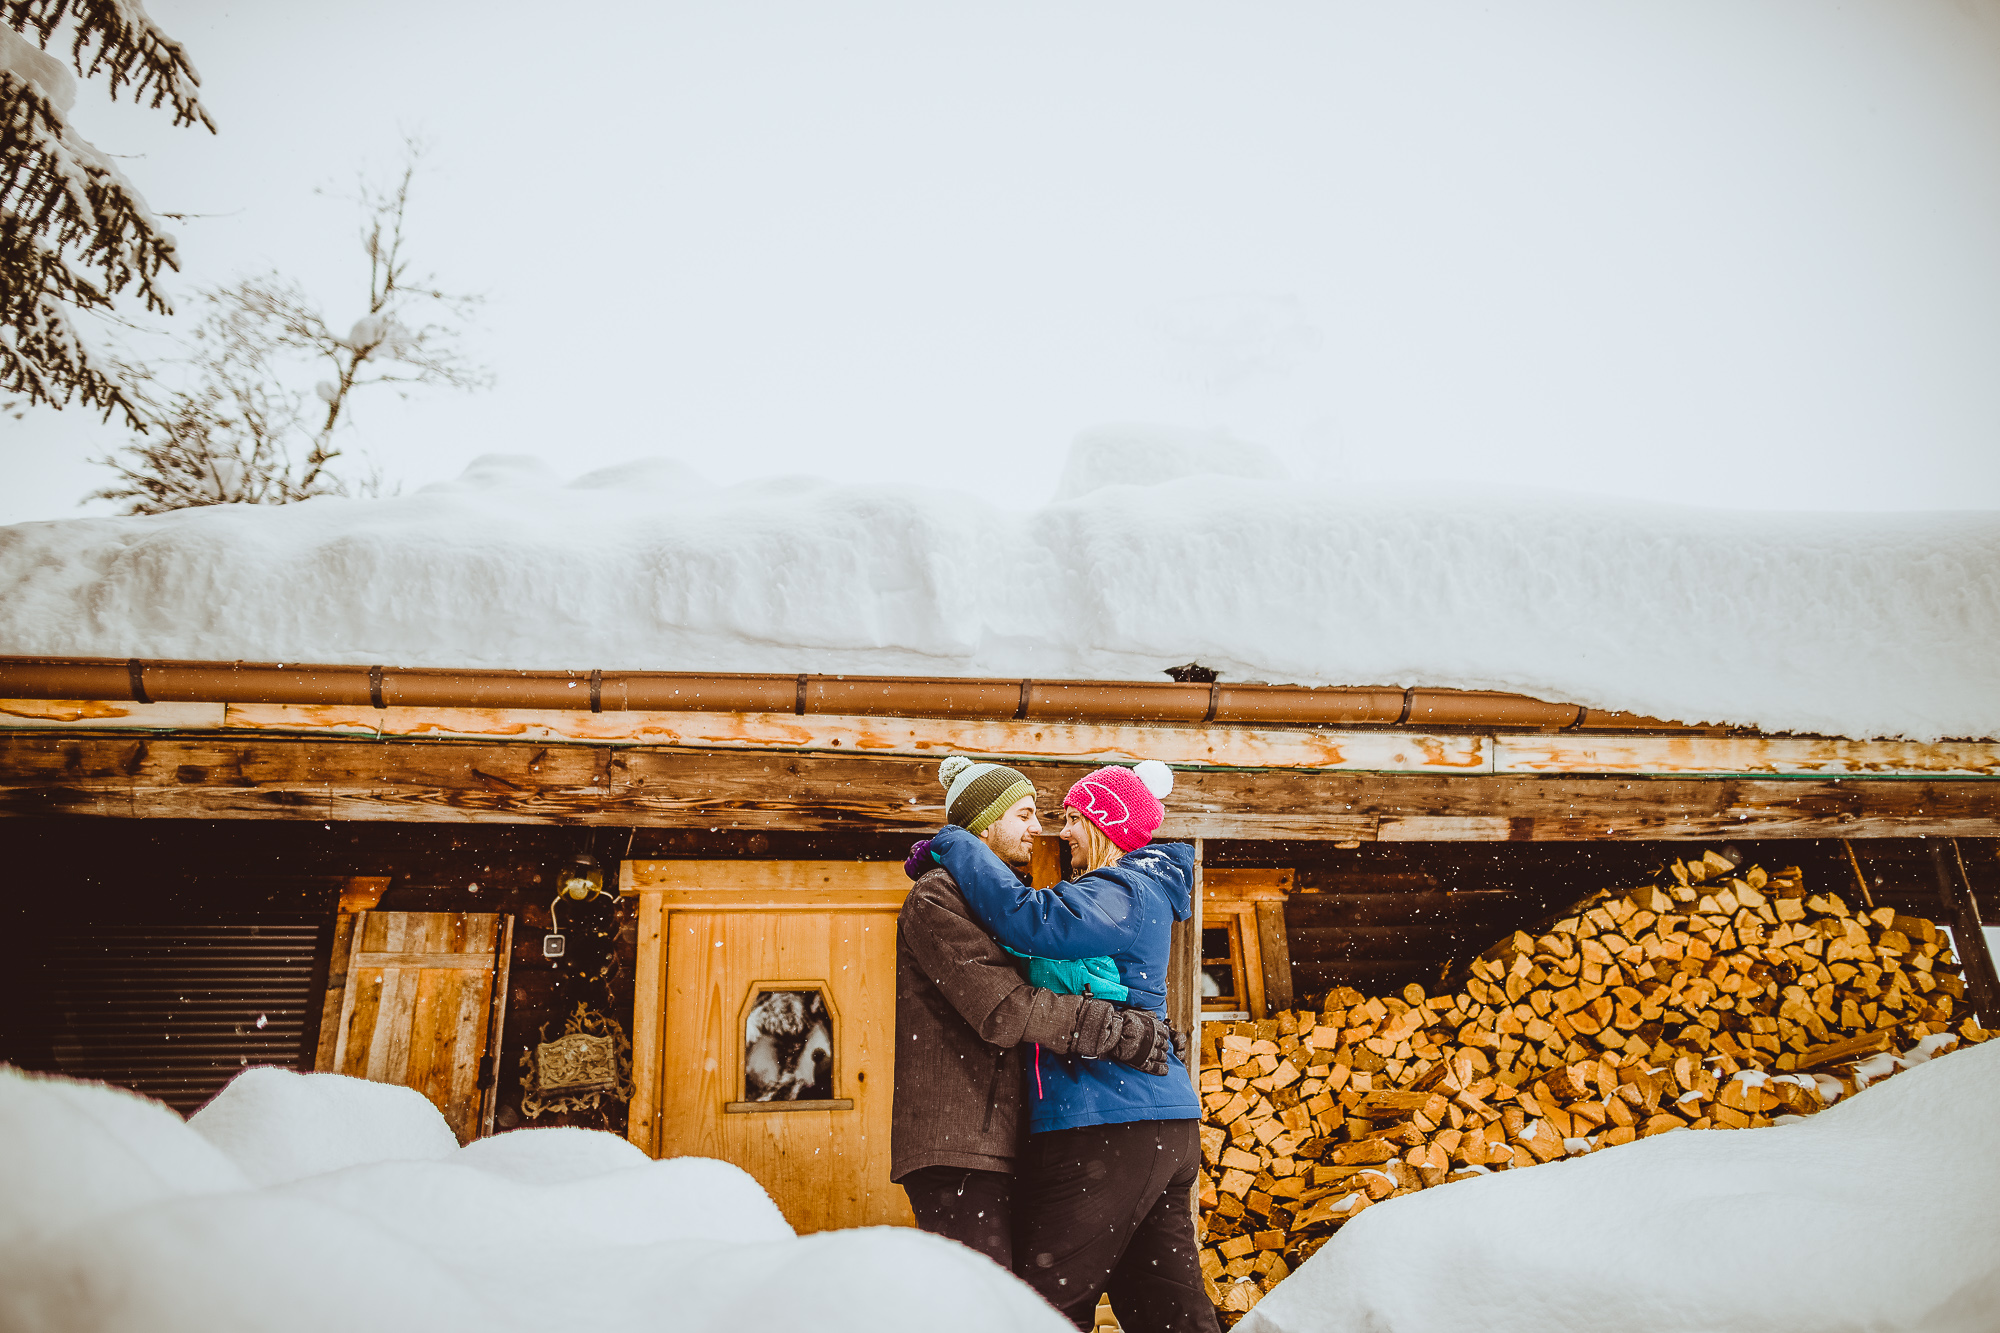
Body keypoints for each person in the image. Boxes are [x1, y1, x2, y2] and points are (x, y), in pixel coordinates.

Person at [925, 760, 1219, 1333]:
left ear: (1104, 824)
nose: (1062, 832)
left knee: (1043, 1308)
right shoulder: (1134, 891)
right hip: (1155, 1120)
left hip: (1105, 1121)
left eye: (1074, 819)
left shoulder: (1123, 891)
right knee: (1167, 1309)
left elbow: (1029, 923)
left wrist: (959, 845)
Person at [894, 756, 1175, 1270]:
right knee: (984, 1304)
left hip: (1007, 1133)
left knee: (1019, 1298)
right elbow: (1004, 1007)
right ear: (981, 823)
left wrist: (1126, 1007)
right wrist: (1116, 1030)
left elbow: (1050, 967)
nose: (1040, 829)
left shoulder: (996, 899)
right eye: (1024, 814)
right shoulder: (937, 895)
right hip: (959, 1141)